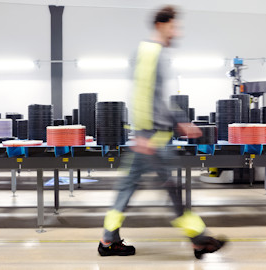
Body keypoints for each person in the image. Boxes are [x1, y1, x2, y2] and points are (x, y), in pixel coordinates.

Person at [97, 5, 226, 259]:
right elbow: (143, 96)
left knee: (128, 188)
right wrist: (144, 135)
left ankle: (108, 240)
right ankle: (199, 240)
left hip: (152, 138)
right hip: (152, 140)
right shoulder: (149, 51)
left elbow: (158, 99)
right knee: (171, 190)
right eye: (174, 26)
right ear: (161, 25)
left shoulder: (154, 54)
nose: (177, 32)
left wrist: (180, 121)